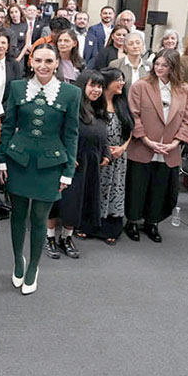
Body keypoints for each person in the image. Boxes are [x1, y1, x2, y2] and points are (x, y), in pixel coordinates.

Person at [0, 44, 80, 295]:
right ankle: (18, 260)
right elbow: (7, 126)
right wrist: (1, 160)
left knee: (39, 217)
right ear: (31, 62)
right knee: (18, 214)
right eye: (38, 60)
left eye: (49, 61)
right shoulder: (17, 87)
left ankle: (33, 266)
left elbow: (71, 134)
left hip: (50, 164)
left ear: (57, 64)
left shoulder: (71, 93)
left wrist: (68, 171)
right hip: (18, 160)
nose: (43, 66)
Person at [124, 49, 188, 243]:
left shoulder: (186, 91)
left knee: (160, 187)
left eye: (165, 65)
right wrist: (146, 140)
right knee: (137, 186)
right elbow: (133, 116)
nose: (160, 68)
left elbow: (187, 121)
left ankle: (152, 222)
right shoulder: (141, 86)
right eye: (157, 64)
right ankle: (132, 221)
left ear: (174, 67)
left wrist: (175, 143)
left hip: (169, 149)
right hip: (143, 146)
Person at [46, 70, 111, 259]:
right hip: (69, 163)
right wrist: (65, 155)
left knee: (78, 204)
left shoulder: (98, 110)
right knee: (59, 203)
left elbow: (102, 136)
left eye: (100, 86)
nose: (97, 90)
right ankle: (49, 237)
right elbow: (55, 132)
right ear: (83, 85)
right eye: (93, 85)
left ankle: (66, 238)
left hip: (90, 164)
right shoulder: (70, 106)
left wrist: (106, 152)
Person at [78, 68, 133, 245]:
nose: (122, 83)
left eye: (123, 79)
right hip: (99, 155)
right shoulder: (94, 104)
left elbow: (130, 129)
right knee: (95, 189)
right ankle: (88, 226)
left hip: (118, 158)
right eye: (118, 79)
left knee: (116, 190)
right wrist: (104, 149)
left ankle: (111, 228)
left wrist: (123, 148)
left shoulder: (122, 104)